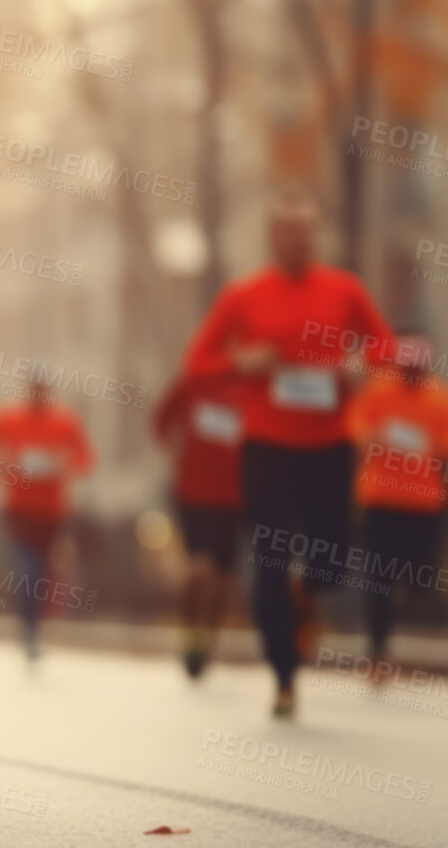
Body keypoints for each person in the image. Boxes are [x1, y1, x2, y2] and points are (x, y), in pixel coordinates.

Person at [183, 188, 396, 719]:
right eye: (288, 231)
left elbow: (387, 349)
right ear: (272, 237)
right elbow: (198, 362)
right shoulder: (244, 295)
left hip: (328, 446)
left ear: (315, 235)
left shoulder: (344, 291)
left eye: (306, 230)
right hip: (268, 448)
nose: (298, 239)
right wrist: (243, 362)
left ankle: (311, 589)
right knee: (271, 560)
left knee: (331, 558)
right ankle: (283, 675)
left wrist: (358, 364)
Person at [344, 336, 448, 678]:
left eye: (416, 367)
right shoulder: (377, 392)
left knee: (420, 576)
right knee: (378, 578)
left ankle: (402, 604)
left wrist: (413, 442)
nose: (410, 372)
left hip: (423, 504)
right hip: (380, 501)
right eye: (406, 367)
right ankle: (378, 649)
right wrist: (378, 437)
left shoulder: (439, 399)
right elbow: (357, 430)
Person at [0, 378, 93, 661]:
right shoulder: (6, 418)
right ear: (28, 391)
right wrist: (5, 468)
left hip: (52, 511)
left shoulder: (64, 421)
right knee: (29, 566)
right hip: (19, 509)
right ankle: (28, 628)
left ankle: (35, 626)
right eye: (34, 390)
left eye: (43, 390)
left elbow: (85, 458)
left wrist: (62, 466)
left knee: (44, 570)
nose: (38, 395)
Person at [152, 370, 247, 678]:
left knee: (222, 578)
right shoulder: (191, 382)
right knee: (198, 569)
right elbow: (160, 422)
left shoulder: (251, 388)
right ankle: (191, 636)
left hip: (236, 496)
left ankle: (209, 642)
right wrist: (173, 460)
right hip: (193, 493)